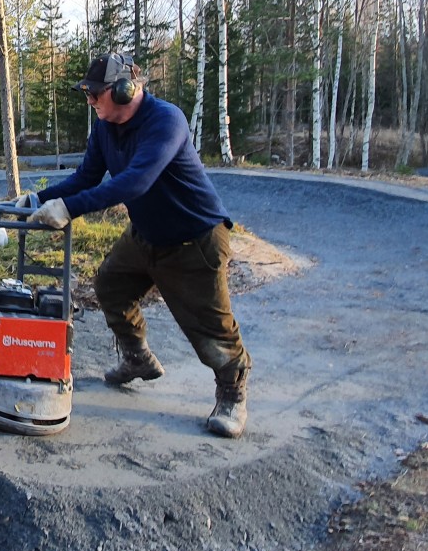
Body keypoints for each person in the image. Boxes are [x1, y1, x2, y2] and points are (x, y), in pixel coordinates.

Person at [19, 53, 254, 438]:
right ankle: (137, 358)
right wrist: (38, 200)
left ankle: (232, 393)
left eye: (96, 94)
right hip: (146, 234)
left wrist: (69, 209)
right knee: (110, 285)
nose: (91, 102)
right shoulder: (105, 129)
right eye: (88, 95)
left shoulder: (166, 121)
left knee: (213, 330)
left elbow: (133, 182)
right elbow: (86, 177)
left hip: (194, 239)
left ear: (126, 90)